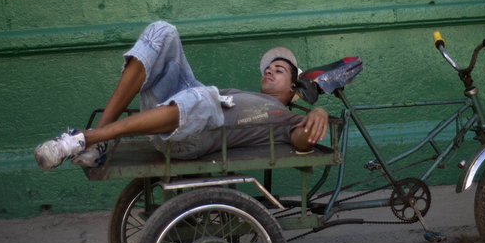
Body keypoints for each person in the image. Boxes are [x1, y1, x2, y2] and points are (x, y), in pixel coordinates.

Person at [34, 21, 329, 170]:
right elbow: (198, 93)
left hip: (196, 138)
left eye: (279, 70)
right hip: (176, 117)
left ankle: (82, 139)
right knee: (164, 31)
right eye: (268, 68)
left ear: (294, 90)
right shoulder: (244, 93)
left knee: (207, 98)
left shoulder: (288, 118)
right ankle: (101, 141)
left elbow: (302, 140)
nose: (269, 71)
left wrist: (319, 113)